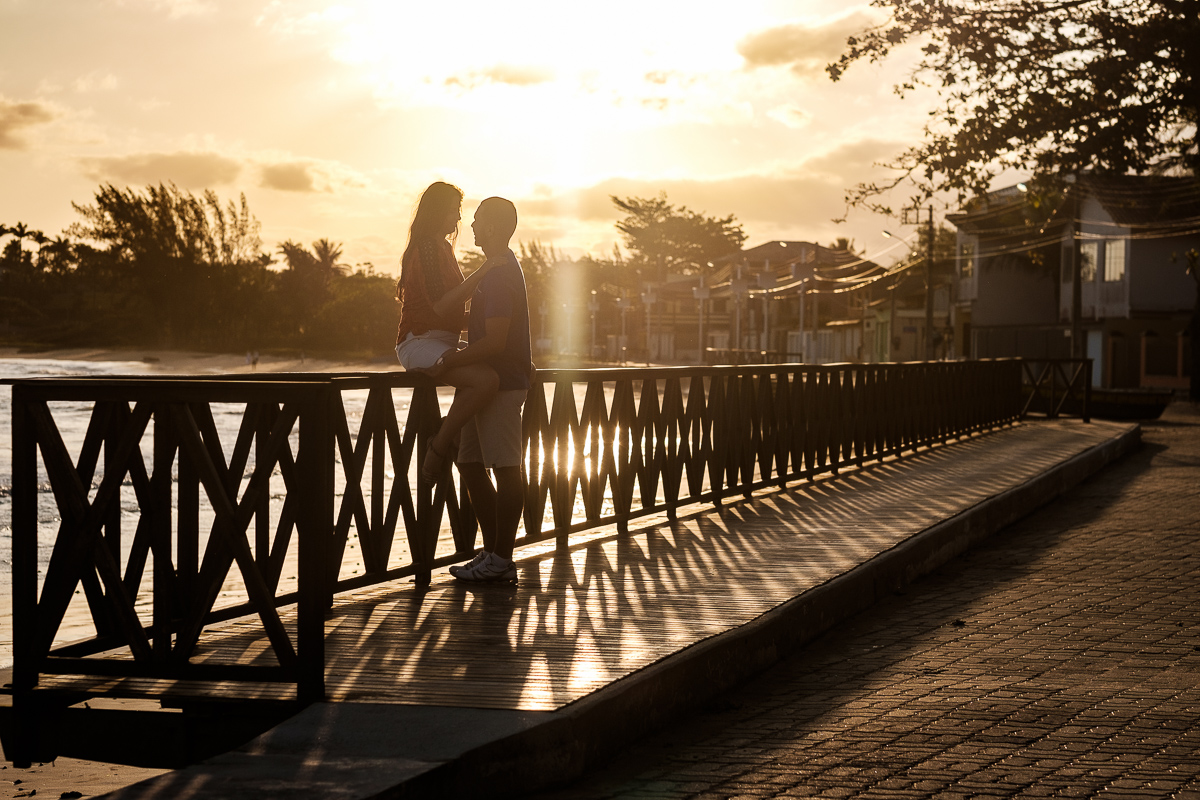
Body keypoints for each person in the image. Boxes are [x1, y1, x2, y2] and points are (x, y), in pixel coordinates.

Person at [419, 197, 531, 583]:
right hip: (490, 382)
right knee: (468, 461)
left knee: (506, 468)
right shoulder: (495, 269)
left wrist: (451, 361)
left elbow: (497, 341)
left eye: (479, 220)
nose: (472, 226)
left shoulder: (500, 275)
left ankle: (501, 560)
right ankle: (492, 552)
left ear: (495, 229)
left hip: (502, 383)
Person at [394, 181, 501, 483]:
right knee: (486, 380)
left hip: (442, 340)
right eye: (454, 211)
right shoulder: (427, 247)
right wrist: (484, 271)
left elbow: (450, 316)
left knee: (500, 367)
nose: (457, 219)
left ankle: (452, 432)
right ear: (439, 211)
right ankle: (441, 444)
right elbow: (441, 308)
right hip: (419, 343)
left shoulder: (441, 248)